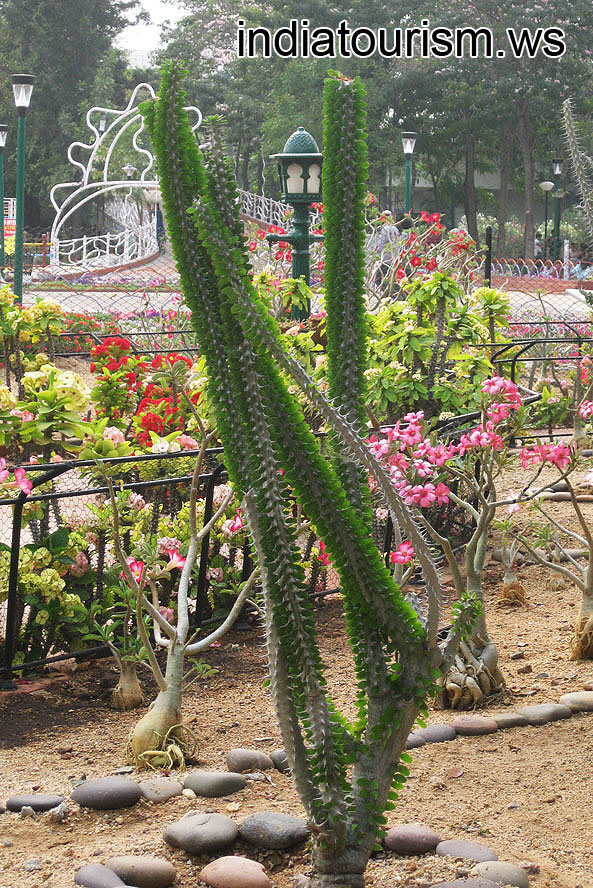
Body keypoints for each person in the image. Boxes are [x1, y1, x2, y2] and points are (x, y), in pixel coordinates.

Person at [374, 211, 400, 288]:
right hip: (394, 257)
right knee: (390, 277)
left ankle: (386, 294)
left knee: (378, 280)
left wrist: (377, 253)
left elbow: (382, 243)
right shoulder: (395, 228)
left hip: (385, 258)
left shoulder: (385, 229)